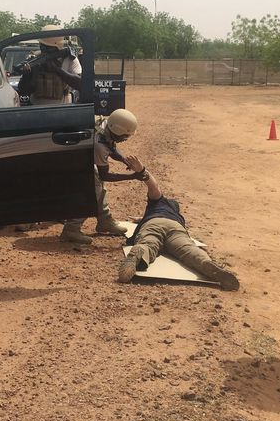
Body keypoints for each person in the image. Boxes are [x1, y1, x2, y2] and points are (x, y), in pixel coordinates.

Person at [118, 155, 240, 291]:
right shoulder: (176, 215)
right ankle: (207, 264)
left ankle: (140, 252)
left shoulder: (158, 202)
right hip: (175, 228)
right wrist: (142, 218)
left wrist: (142, 171)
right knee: (189, 250)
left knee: (148, 244)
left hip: (153, 224)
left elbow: (154, 187)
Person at [59, 108, 141, 244]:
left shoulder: (105, 124)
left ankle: (104, 221)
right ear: (117, 131)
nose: (126, 139)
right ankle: (71, 229)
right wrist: (132, 177)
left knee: (97, 186)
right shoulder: (98, 144)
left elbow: (110, 145)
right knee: (92, 189)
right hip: (70, 161)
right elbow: (105, 175)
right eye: (125, 136)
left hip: (76, 155)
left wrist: (123, 159)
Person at [17, 24, 81, 106]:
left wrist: (56, 70)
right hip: (36, 110)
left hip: (63, 110)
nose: (43, 49)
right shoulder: (34, 60)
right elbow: (23, 91)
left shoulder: (69, 59)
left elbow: (80, 84)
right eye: (42, 46)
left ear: (57, 46)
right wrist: (27, 75)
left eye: (47, 47)